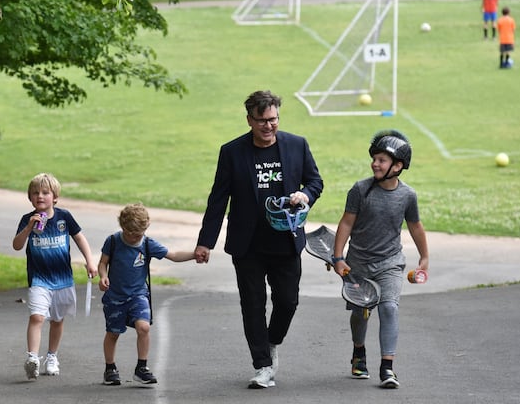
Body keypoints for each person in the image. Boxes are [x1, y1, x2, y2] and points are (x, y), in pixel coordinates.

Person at [194, 90, 324, 389]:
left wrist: (306, 195)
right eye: (262, 120)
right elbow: (218, 199)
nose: (269, 126)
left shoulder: (296, 145)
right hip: (248, 244)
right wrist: (205, 242)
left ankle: (272, 342)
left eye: (274, 119)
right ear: (250, 119)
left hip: (285, 239)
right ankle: (262, 364)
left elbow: (315, 181)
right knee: (252, 304)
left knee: (288, 301)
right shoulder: (232, 152)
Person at [331, 129, 430, 389]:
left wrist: (424, 257)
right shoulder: (360, 190)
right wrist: (338, 257)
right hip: (358, 264)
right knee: (361, 313)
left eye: (382, 160)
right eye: (374, 158)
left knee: (389, 307)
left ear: (398, 166)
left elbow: (415, 226)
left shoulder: (407, 195)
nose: (375, 163)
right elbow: (346, 223)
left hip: (390, 263)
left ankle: (387, 367)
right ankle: (359, 352)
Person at [98, 203, 198, 386]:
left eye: (140, 233)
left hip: (138, 295)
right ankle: (110, 368)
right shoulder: (112, 241)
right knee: (113, 333)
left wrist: (195, 254)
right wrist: (103, 276)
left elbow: (173, 255)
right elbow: (103, 263)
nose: (137, 237)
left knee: (144, 327)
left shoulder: (147, 244)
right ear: (123, 227)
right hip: (115, 297)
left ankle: (141, 367)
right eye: (132, 234)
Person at [12, 172, 97, 380]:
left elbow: (79, 238)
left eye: (45, 192)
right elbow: (16, 245)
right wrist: (29, 227)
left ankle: (52, 356)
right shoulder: (26, 219)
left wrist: (90, 260)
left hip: (62, 279)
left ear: (55, 197)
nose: (40, 196)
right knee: (37, 316)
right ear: (30, 198)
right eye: (35, 193)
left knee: (57, 320)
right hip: (39, 280)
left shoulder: (63, 217)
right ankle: (33, 358)